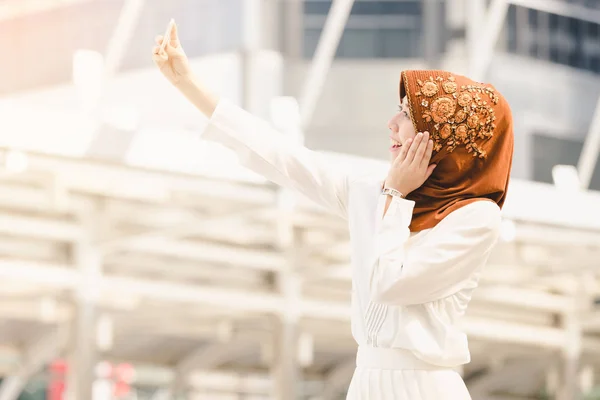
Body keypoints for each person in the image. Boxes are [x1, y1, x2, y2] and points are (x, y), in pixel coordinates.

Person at [152, 22, 513, 400]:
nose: (391, 124)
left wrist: (395, 193)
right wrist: (187, 83)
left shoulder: (475, 217)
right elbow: (286, 159)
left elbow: (390, 283)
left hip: (426, 387)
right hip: (366, 384)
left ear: (445, 136)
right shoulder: (375, 195)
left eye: (408, 116)